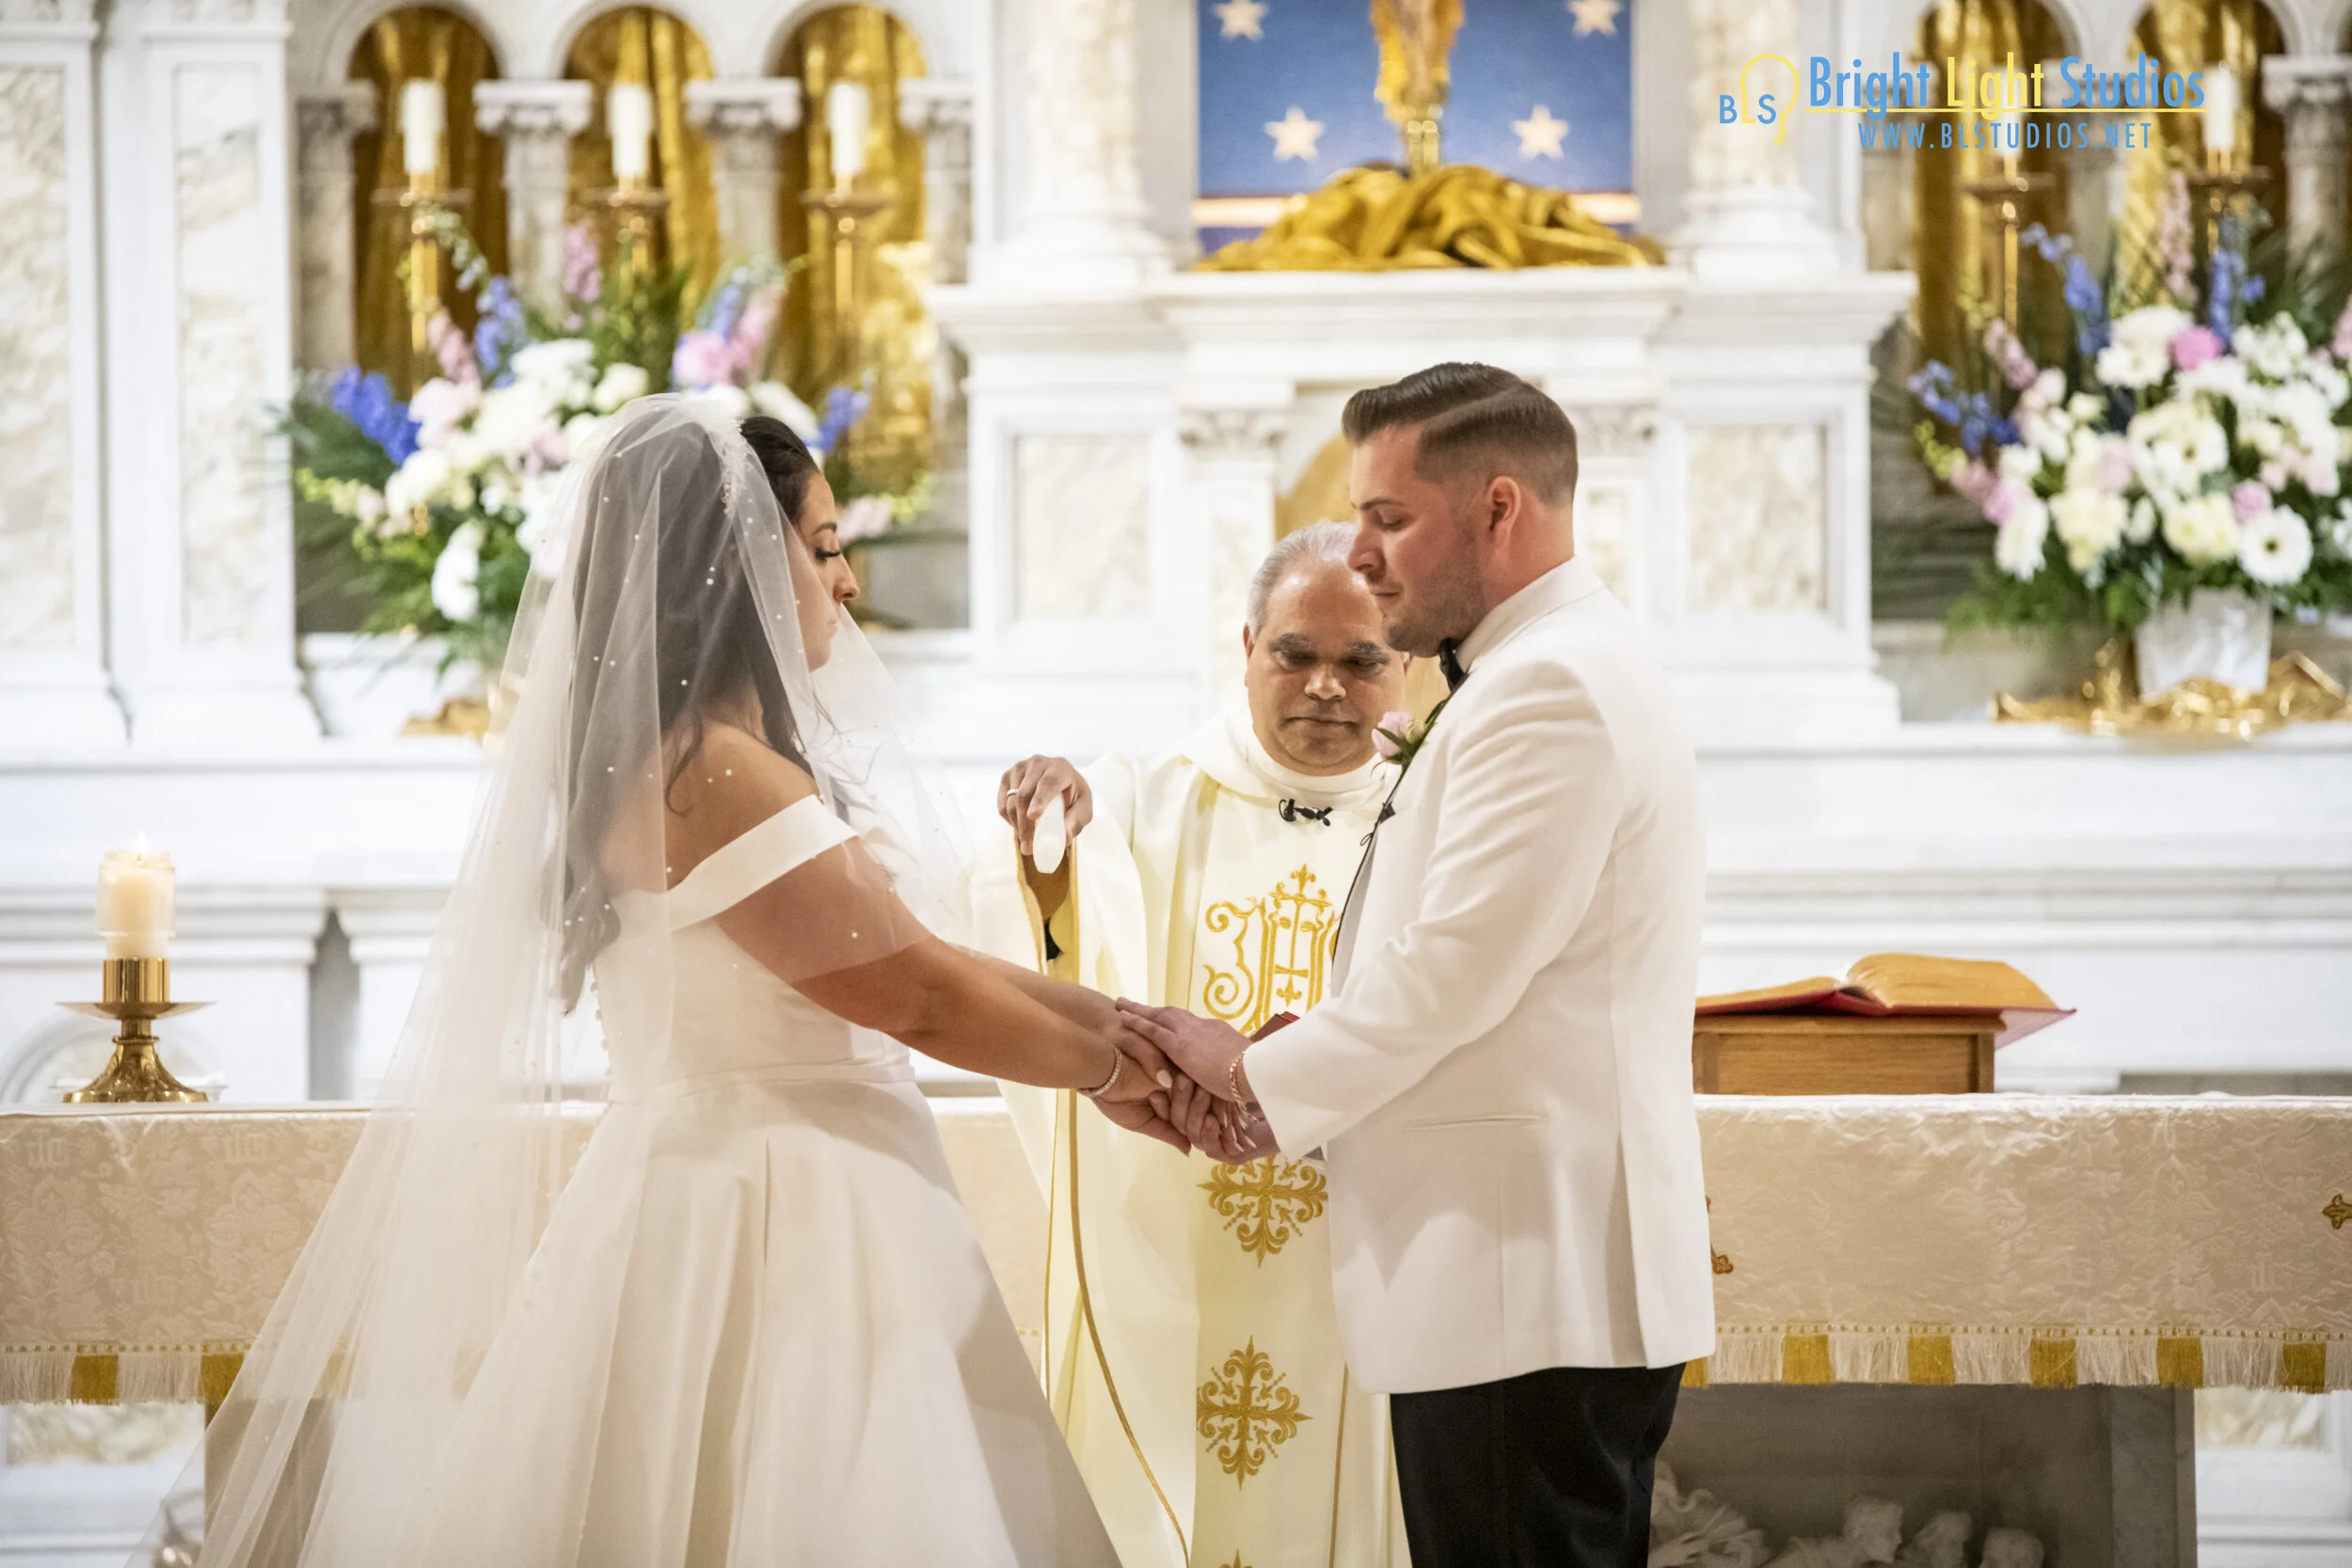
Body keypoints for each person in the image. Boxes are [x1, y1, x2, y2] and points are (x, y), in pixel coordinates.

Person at [174, 399, 1186, 1567]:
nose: (848, 581)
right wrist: (1122, 1071)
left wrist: (1134, 1028)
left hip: (791, 1175)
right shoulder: (709, 772)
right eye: (823, 547)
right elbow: (915, 996)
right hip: (774, 1212)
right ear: (737, 562)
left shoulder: (711, 760)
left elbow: (924, 958)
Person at [1120, 363, 1717, 1568]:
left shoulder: (1547, 684)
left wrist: (1246, 1072)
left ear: (1499, 508)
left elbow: (1456, 968)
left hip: (1520, 1282)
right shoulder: (1544, 662)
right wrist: (1289, 1077)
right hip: (1516, 1280)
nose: (1361, 552)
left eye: (1388, 517)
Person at [968, 523, 1412, 1568]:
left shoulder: (1432, 810)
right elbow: (1053, 915)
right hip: (1179, 1221)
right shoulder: (1148, 793)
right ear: (1247, 646)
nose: (1326, 686)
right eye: (1295, 653)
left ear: (1403, 667)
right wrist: (1050, 850)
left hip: (1363, 1239)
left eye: (1360, 661)